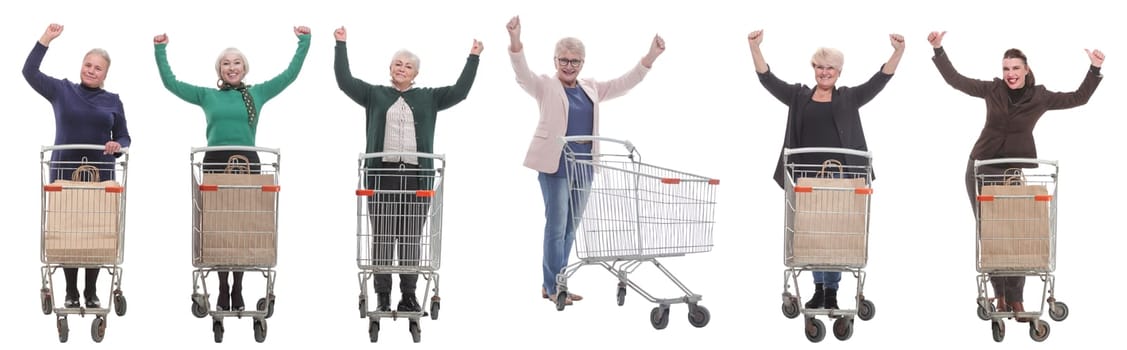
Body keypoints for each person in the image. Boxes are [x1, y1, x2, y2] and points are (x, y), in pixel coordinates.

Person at [927, 30, 1103, 321]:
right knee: (994, 234)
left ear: (1026, 69)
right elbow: (956, 80)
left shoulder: (1040, 96)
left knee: (1017, 233)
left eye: (1016, 68)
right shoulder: (992, 90)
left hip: (1012, 173)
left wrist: (1094, 68)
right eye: (1006, 68)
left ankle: (1017, 299)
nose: (1010, 73)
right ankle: (1000, 296)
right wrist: (938, 49)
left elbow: (1078, 98)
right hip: (981, 169)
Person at [505, 16, 665, 306]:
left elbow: (624, 83)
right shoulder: (544, 86)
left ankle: (555, 282)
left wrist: (650, 57)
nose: (569, 66)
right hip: (555, 166)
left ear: (583, 63)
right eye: (564, 60)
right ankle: (554, 286)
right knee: (556, 228)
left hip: (585, 168)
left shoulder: (590, 88)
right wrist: (516, 40)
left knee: (570, 229)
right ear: (555, 60)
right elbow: (521, 72)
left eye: (575, 61)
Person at [154, 26, 311, 311]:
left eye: (236, 62)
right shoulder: (206, 96)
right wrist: (160, 49)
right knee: (218, 227)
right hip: (215, 163)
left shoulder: (257, 94)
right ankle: (222, 287)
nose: (231, 67)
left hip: (247, 164)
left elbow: (290, 75)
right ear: (219, 70)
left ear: (244, 68)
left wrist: (305, 41)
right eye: (226, 63)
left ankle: (238, 289)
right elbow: (170, 83)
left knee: (241, 226)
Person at [748, 29, 904, 310]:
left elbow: (879, 80)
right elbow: (767, 79)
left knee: (834, 234)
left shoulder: (848, 97)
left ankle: (830, 292)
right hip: (806, 178)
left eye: (830, 67)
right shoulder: (798, 96)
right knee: (812, 234)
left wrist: (897, 52)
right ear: (813, 69)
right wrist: (755, 47)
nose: (824, 72)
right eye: (820, 66)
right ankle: (818, 289)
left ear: (839, 71)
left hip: (841, 178)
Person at [333, 26, 481, 313]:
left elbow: (460, 92)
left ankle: (409, 295)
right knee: (383, 237)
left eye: (408, 66)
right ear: (390, 68)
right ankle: (383, 296)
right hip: (381, 176)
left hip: (416, 178)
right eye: (398, 64)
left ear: (416, 74)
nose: (402, 69)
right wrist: (341, 44)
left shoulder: (429, 97)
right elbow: (344, 81)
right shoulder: (374, 94)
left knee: (412, 236)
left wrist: (473, 57)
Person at [24, 23, 131, 310]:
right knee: (69, 231)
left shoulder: (113, 101)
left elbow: (123, 136)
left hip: (100, 175)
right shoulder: (62, 90)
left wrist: (116, 145)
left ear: (105, 74)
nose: (91, 70)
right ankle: (71, 290)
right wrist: (45, 40)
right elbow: (29, 73)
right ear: (81, 66)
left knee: (96, 231)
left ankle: (91, 291)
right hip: (64, 174)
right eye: (88, 65)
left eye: (98, 68)